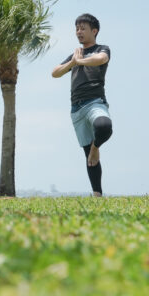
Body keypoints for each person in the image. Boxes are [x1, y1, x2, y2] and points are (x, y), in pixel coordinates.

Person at [51, 13, 113, 197]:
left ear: (94, 31)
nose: (79, 32)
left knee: (104, 126)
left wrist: (80, 61)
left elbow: (101, 59)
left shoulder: (102, 48)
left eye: (83, 28)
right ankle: (97, 195)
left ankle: (96, 148)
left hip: (95, 102)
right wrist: (72, 62)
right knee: (88, 157)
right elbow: (55, 73)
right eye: (77, 28)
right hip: (76, 108)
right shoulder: (74, 55)